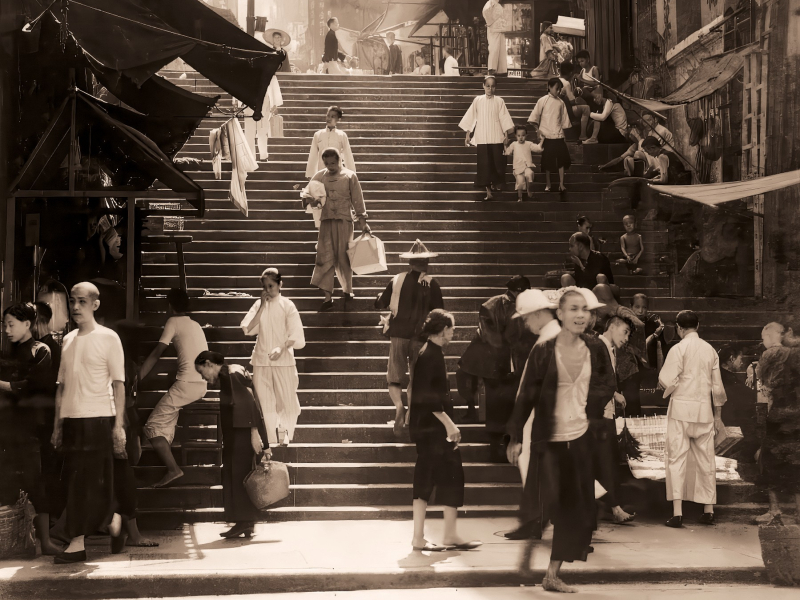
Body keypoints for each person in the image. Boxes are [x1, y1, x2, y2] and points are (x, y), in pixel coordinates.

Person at [508, 288, 616, 592]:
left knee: (574, 512)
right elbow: (527, 393)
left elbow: (607, 383)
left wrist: (588, 411)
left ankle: (551, 575)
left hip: (580, 440)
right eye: (573, 309)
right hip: (549, 441)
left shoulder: (595, 347)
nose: (580, 315)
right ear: (560, 313)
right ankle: (527, 558)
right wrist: (515, 436)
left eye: (585, 309)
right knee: (543, 504)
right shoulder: (545, 350)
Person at [50, 282, 125, 564]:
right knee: (78, 481)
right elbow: (61, 386)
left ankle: (79, 542)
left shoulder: (109, 338)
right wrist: (57, 426)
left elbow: (118, 384)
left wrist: (118, 425)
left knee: (86, 482)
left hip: (98, 418)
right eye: (72, 301)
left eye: (82, 301)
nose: (76, 307)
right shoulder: (68, 340)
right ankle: (110, 521)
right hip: (72, 420)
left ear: (95, 305)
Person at [409, 309, 482, 552]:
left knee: (442, 476)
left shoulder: (428, 352)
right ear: (442, 330)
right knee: (436, 478)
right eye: (452, 329)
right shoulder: (432, 355)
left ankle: (440, 535)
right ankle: (425, 537)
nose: (453, 333)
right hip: (433, 430)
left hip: (428, 429)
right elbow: (429, 398)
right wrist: (450, 424)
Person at [1, 302, 62, 555]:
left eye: (11, 325)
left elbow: (35, 385)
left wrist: (4, 385)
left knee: (37, 481)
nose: (6, 330)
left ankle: (45, 541)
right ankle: (13, 541)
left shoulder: (41, 350)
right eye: (4, 325)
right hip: (7, 426)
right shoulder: (6, 353)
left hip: (33, 428)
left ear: (27, 324)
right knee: (7, 481)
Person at [659, 310, 727, 528]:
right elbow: (717, 388)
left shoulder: (678, 349)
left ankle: (677, 513)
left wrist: (675, 385)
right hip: (704, 412)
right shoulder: (710, 351)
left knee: (676, 459)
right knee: (706, 460)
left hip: (680, 411)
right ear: (697, 326)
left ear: (679, 328)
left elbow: (665, 380)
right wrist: (718, 417)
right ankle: (708, 510)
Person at [504, 289, 560, 542]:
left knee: (540, 474)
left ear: (538, 313)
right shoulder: (558, 339)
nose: (526, 324)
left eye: (526, 318)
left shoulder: (547, 343)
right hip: (558, 420)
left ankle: (535, 523)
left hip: (546, 421)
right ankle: (536, 522)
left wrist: (514, 434)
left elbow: (528, 392)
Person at [194, 351, 269, 539]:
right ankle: (246, 523)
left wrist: (254, 432)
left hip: (241, 434)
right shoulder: (231, 373)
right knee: (239, 476)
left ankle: (244, 522)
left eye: (201, 371)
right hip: (238, 433)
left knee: (238, 477)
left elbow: (248, 402)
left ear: (209, 364)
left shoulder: (231, 374)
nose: (203, 377)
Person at [139, 288, 209, 488]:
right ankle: (167, 455)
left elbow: (157, 352)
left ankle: (173, 469)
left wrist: (138, 377)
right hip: (201, 385)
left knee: (152, 426)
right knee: (166, 415)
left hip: (187, 386)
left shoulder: (173, 321)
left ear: (169, 306)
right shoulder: (195, 324)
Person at [460, 276, 533, 462]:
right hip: (494, 365)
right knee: (496, 407)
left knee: (511, 406)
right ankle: (495, 448)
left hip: (515, 363)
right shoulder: (491, 306)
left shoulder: (524, 305)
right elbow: (492, 338)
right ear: (517, 291)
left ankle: (509, 445)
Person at [375, 240, 443, 436]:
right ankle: (411, 414)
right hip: (420, 338)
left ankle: (399, 406)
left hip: (398, 334)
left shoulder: (397, 280)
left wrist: (380, 297)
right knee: (416, 377)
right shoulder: (432, 284)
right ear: (427, 263)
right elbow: (439, 313)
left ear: (410, 263)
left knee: (394, 377)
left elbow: (380, 304)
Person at [241, 268, 305, 446]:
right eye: (265, 286)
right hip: (261, 360)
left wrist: (282, 348)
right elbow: (248, 329)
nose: (268, 290)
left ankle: (287, 433)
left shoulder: (287, 305)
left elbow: (296, 334)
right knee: (264, 402)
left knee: (288, 400)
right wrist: (262, 306)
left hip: (284, 361)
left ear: (280, 284)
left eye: (271, 286)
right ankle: (269, 438)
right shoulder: (258, 305)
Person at [309, 147, 370, 312]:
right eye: (327, 163)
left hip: (344, 222)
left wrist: (363, 223)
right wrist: (312, 200)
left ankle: (347, 290)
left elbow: (358, 200)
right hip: (326, 222)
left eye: (333, 163)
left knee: (344, 257)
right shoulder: (319, 176)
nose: (330, 166)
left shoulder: (350, 176)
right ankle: (327, 298)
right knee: (324, 256)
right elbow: (308, 195)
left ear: (340, 160)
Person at [752, 324, 800, 524]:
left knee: (769, 460)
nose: (763, 342)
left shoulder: (770, 354)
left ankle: (775, 510)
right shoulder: (795, 353)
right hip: (796, 415)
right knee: (795, 461)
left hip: (779, 414)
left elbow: (762, 380)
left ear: (770, 336)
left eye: (764, 338)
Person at [597, 315, 637, 523]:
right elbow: (596, 379)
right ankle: (614, 508)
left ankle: (612, 507)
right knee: (605, 463)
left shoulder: (610, 349)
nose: (626, 338)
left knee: (607, 463)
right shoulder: (598, 346)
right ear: (612, 327)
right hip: (598, 414)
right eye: (625, 332)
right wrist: (614, 393)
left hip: (606, 413)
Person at [459, 76, 515, 201]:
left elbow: (504, 119)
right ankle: (488, 191)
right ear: (483, 86)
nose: (490, 89)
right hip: (483, 137)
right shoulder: (478, 100)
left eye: (493, 86)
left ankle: (496, 184)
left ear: (496, 87)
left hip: (496, 136)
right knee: (485, 165)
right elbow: (471, 117)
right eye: (488, 86)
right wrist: (468, 134)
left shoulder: (499, 101)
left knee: (498, 162)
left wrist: (506, 136)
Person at [528, 78, 572, 193]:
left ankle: (561, 184)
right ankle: (548, 184)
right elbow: (533, 118)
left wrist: (564, 136)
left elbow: (564, 122)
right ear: (549, 87)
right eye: (556, 88)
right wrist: (538, 130)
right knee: (547, 162)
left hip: (558, 135)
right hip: (546, 136)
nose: (558, 91)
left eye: (560, 89)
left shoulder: (561, 103)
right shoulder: (542, 100)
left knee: (561, 160)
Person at [305, 105, 356, 179]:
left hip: (337, 174)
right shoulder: (318, 135)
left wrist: (352, 174)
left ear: (338, 119)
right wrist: (311, 174)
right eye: (328, 116)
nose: (329, 118)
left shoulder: (342, 135)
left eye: (332, 117)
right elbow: (313, 155)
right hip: (322, 173)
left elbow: (347, 155)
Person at [504, 125, 543, 201]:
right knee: (520, 182)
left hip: (527, 166)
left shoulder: (528, 144)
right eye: (518, 136)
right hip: (518, 168)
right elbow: (507, 152)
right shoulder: (514, 144)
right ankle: (520, 197)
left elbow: (538, 148)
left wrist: (542, 140)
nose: (521, 138)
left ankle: (529, 190)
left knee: (529, 174)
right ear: (515, 136)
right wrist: (505, 144)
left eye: (523, 135)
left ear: (526, 135)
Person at [630, 293, 668, 370]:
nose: (640, 311)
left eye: (644, 307)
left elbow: (662, 349)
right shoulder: (626, 325)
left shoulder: (653, 324)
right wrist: (654, 335)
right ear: (630, 307)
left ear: (647, 308)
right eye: (637, 307)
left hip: (651, 368)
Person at [558, 62, 591, 141]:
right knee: (586, 108)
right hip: (565, 110)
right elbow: (572, 101)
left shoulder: (554, 81)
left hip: (556, 108)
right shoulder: (566, 83)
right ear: (570, 73)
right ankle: (583, 135)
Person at [482, 0, 508, 76]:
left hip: (500, 29)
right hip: (494, 29)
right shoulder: (490, 3)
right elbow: (486, 13)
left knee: (501, 50)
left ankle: (501, 69)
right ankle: (492, 68)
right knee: (494, 48)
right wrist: (490, 22)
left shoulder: (497, 4)